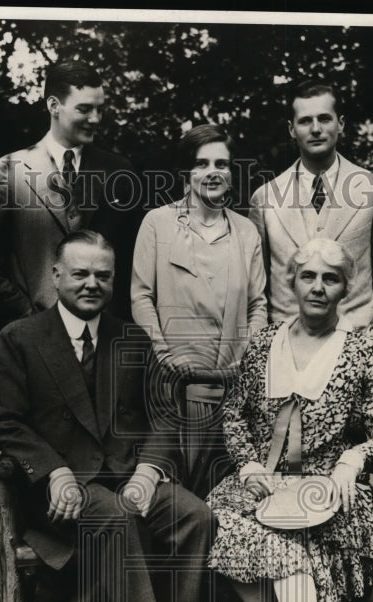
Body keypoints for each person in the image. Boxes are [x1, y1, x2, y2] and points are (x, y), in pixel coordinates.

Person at [0, 229, 212, 602]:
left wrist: (149, 472)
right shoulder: (20, 338)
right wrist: (54, 471)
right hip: (58, 495)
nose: (91, 283)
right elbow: (3, 420)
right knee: (110, 516)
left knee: (195, 514)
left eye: (102, 276)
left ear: (114, 280)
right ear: (57, 275)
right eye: (80, 273)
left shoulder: (130, 338)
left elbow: (165, 416)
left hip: (128, 479)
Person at [206, 237, 373, 602]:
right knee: (215, 518)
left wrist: (354, 458)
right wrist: (250, 466)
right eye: (308, 277)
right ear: (291, 283)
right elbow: (233, 415)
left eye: (330, 279)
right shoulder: (263, 344)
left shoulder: (362, 351)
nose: (318, 288)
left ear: (345, 287)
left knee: (280, 538)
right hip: (265, 482)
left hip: (327, 488)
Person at [131, 124, 267, 496]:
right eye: (201, 163)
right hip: (171, 386)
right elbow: (141, 296)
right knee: (176, 494)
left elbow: (258, 303)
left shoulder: (245, 232)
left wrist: (247, 357)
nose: (213, 172)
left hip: (231, 385)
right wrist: (164, 353)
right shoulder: (157, 223)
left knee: (223, 493)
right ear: (185, 172)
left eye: (222, 163)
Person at [0, 61, 140, 334]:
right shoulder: (10, 168)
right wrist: (26, 313)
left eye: (99, 109)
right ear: (54, 106)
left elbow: (132, 262)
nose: (95, 119)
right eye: (84, 109)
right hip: (33, 338)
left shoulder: (120, 172)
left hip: (103, 339)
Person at [249, 80, 373, 349]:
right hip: (284, 350)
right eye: (305, 121)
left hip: (355, 350)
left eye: (324, 118)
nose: (315, 129)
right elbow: (256, 288)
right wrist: (267, 346)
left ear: (340, 124)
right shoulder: (265, 199)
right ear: (291, 129)